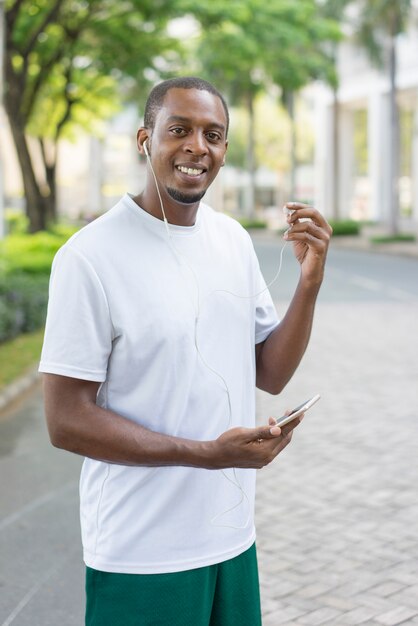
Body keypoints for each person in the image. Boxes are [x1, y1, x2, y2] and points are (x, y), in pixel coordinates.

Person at [40, 76, 332, 626]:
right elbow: (65, 422)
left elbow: (269, 371)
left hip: (230, 538)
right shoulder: (89, 257)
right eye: (180, 130)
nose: (198, 146)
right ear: (145, 139)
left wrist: (309, 283)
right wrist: (207, 454)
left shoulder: (232, 240)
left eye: (214, 134)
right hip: (141, 553)